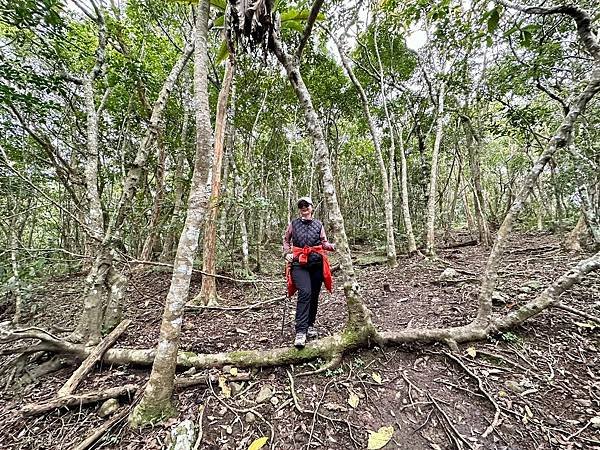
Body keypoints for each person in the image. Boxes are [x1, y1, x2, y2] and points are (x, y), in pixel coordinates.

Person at [283, 196, 335, 348]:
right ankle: (300, 331)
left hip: (316, 263)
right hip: (299, 264)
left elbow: (324, 243)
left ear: (312, 207)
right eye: (301, 206)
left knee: (313, 295)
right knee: (305, 292)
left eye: (306, 205)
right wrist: (287, 253)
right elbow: (286, 240)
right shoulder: (293, 224)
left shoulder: (318, 224)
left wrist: (335, 246)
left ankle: (310, 325)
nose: (304, 208)